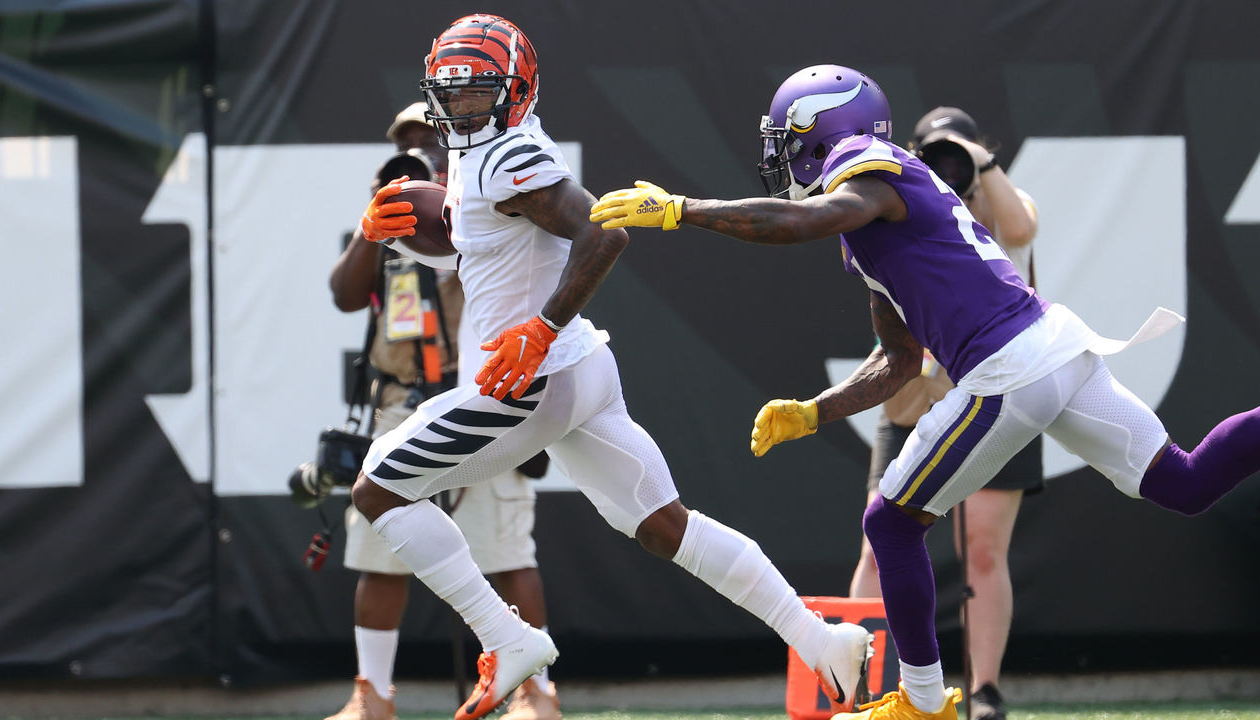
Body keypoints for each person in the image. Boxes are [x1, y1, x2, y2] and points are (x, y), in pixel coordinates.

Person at [589, 64, 1260, 719]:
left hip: (1011, 365)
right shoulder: (871, 217)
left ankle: (922, 700)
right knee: (1185, 482)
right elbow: (900, 359)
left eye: (789, 141)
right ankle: (923, 698)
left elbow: (799, 223)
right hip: (1057, 345)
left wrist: (684, 210)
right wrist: (814, 412)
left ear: (826, 132)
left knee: (890, 521)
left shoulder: (864, 162)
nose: (783, 158)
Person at [354, 15, 875, 720]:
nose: (464, 107)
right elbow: (487, 242)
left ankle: (505, 637)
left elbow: (604, 228)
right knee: (669, 526)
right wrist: (419, 232)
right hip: (580, 374)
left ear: (515, 90)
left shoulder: (507, 154)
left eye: (479, 92)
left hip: (527, 382)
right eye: (454, 93)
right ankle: (820, 640)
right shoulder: (489, 158)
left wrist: (540, 330)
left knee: (378, 489)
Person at [325, 137, 559, 719]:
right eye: (400, 153)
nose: (412, 161)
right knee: (381, 556)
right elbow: (344, 296)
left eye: (424, 152)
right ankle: (372, 696)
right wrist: (374, 224)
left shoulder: (480, 211)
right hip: (402, 403)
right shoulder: (385, 228)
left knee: (505, 551)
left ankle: (537, 696)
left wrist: (443, 207)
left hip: (480, 398)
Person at [847, 106, 1040, 720]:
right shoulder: (909, 205)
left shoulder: (993, 202)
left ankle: (984, 690)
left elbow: (1021, 228)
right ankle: (864, 686)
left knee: (982, 547)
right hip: (918, 394)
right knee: (878, 545)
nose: (948, 165)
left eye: (956, 154)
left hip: (1004, 390)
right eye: (935, 153)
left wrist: (979, 161)